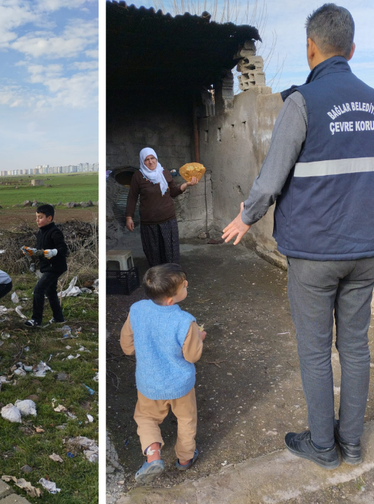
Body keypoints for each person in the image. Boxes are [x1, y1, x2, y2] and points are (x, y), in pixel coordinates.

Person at [223, 4, 372, 469]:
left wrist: (246, 217)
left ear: (311, 47)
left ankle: (324, 447)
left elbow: (271, 177)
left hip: (314, 253)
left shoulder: (302, 103)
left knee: (314, 351)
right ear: (352, 48)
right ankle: (352, 443)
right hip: (366, 251)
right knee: (355, 348)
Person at [120, 263, 206, 484]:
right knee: (186, 420)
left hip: (149, 383)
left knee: (146, 418)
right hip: (180, 386)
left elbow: (127, 347)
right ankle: (185, 458)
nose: (187, 285)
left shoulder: (137, 310)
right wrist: (199, 338)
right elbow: (192, 356)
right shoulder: (185, 321)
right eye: (184, 285)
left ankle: (153, 455)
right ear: (170, 300)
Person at [125, 148, 199, 267]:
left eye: (152, 158)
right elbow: (132, 197)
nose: (150, 162)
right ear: (142, 161)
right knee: (154, 255)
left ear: (156, 158)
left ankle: (172, 276)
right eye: (146, 160)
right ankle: (157, 277)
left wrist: (186, 184)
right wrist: (129, 217)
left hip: (168, 220)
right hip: (149, 223)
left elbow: (173, 192)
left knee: (171, 255)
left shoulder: (164, 172)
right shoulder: (138, 176)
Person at [22, 204, 68, 327]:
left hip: (55, 267)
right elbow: (41, 251)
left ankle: (36, 320)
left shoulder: (55, 232)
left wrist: (54, 252)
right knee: (50, 292)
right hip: (47, 267)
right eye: (37, 217)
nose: (37, 220)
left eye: (40, 217)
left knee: (38, 290)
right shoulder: (40, 232)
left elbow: (63, 249)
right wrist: (32, 252)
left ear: (49, 218)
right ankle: (59, 318)